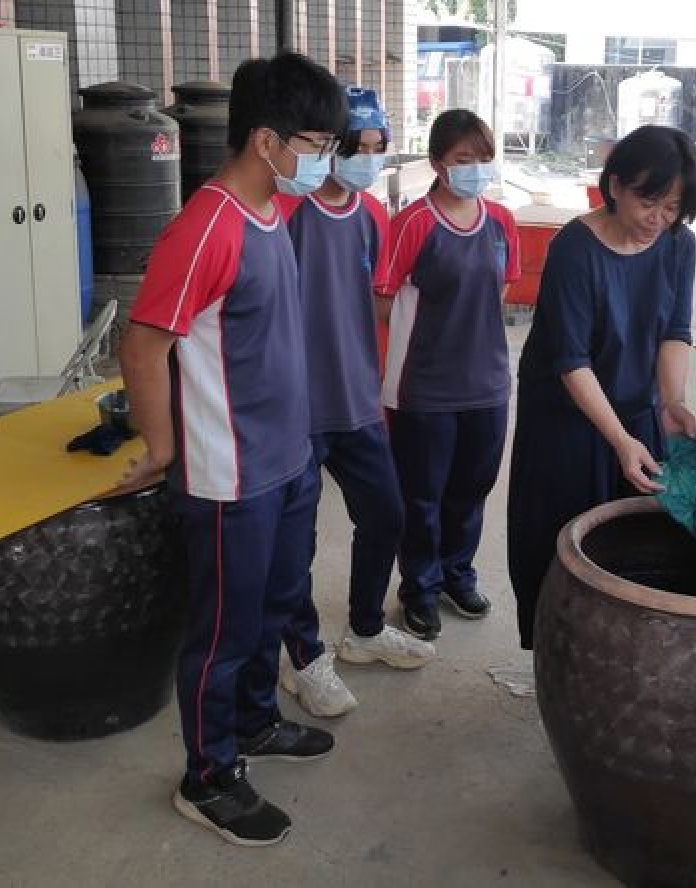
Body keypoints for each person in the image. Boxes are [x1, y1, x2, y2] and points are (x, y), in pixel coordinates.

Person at [118, 52, 344, 847]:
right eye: (316, 141)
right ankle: (207, 775)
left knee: (274, 608)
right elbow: (143, 345)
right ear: (265, 140)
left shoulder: (272, 216)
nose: (324, 159)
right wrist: (159, 444)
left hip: (285, 460)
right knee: (223, 632)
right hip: (229, 475)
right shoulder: (204, 227)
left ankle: (252, 726)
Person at [507, 124, 696, 650]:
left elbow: (674, 331)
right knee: (563, 542)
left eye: (671, 209)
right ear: (614, 185)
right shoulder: (574, 249)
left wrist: (674, 401)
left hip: (637, 412)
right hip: (566, 422)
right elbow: (571, 361)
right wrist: (618, 439)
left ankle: (621, 656)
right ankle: (562, 659)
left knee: (637, 540)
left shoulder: (678, 245)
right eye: (649, 202)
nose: (657, 220)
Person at [276, 85, 435, 719]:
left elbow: (378, 300)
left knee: (386, 516)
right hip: (295, 408)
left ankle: (365, 629)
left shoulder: (373, 214)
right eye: (353, 147)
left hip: (357, 402)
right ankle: (305, 660)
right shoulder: (287, 214)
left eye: (376, 148)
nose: (366, 159)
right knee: (295, 541)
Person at [375, 109, 520, 642]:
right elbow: (383, 298)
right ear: (438, 164)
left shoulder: (502, 221)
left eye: (484, 159)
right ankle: (419, 588)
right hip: (423, 391)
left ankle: (458, 574)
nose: (476, 169)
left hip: (487, 386)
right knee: (422, 497)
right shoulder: (413, 222)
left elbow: (501, 291)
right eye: (464, 160)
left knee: (471, 490)